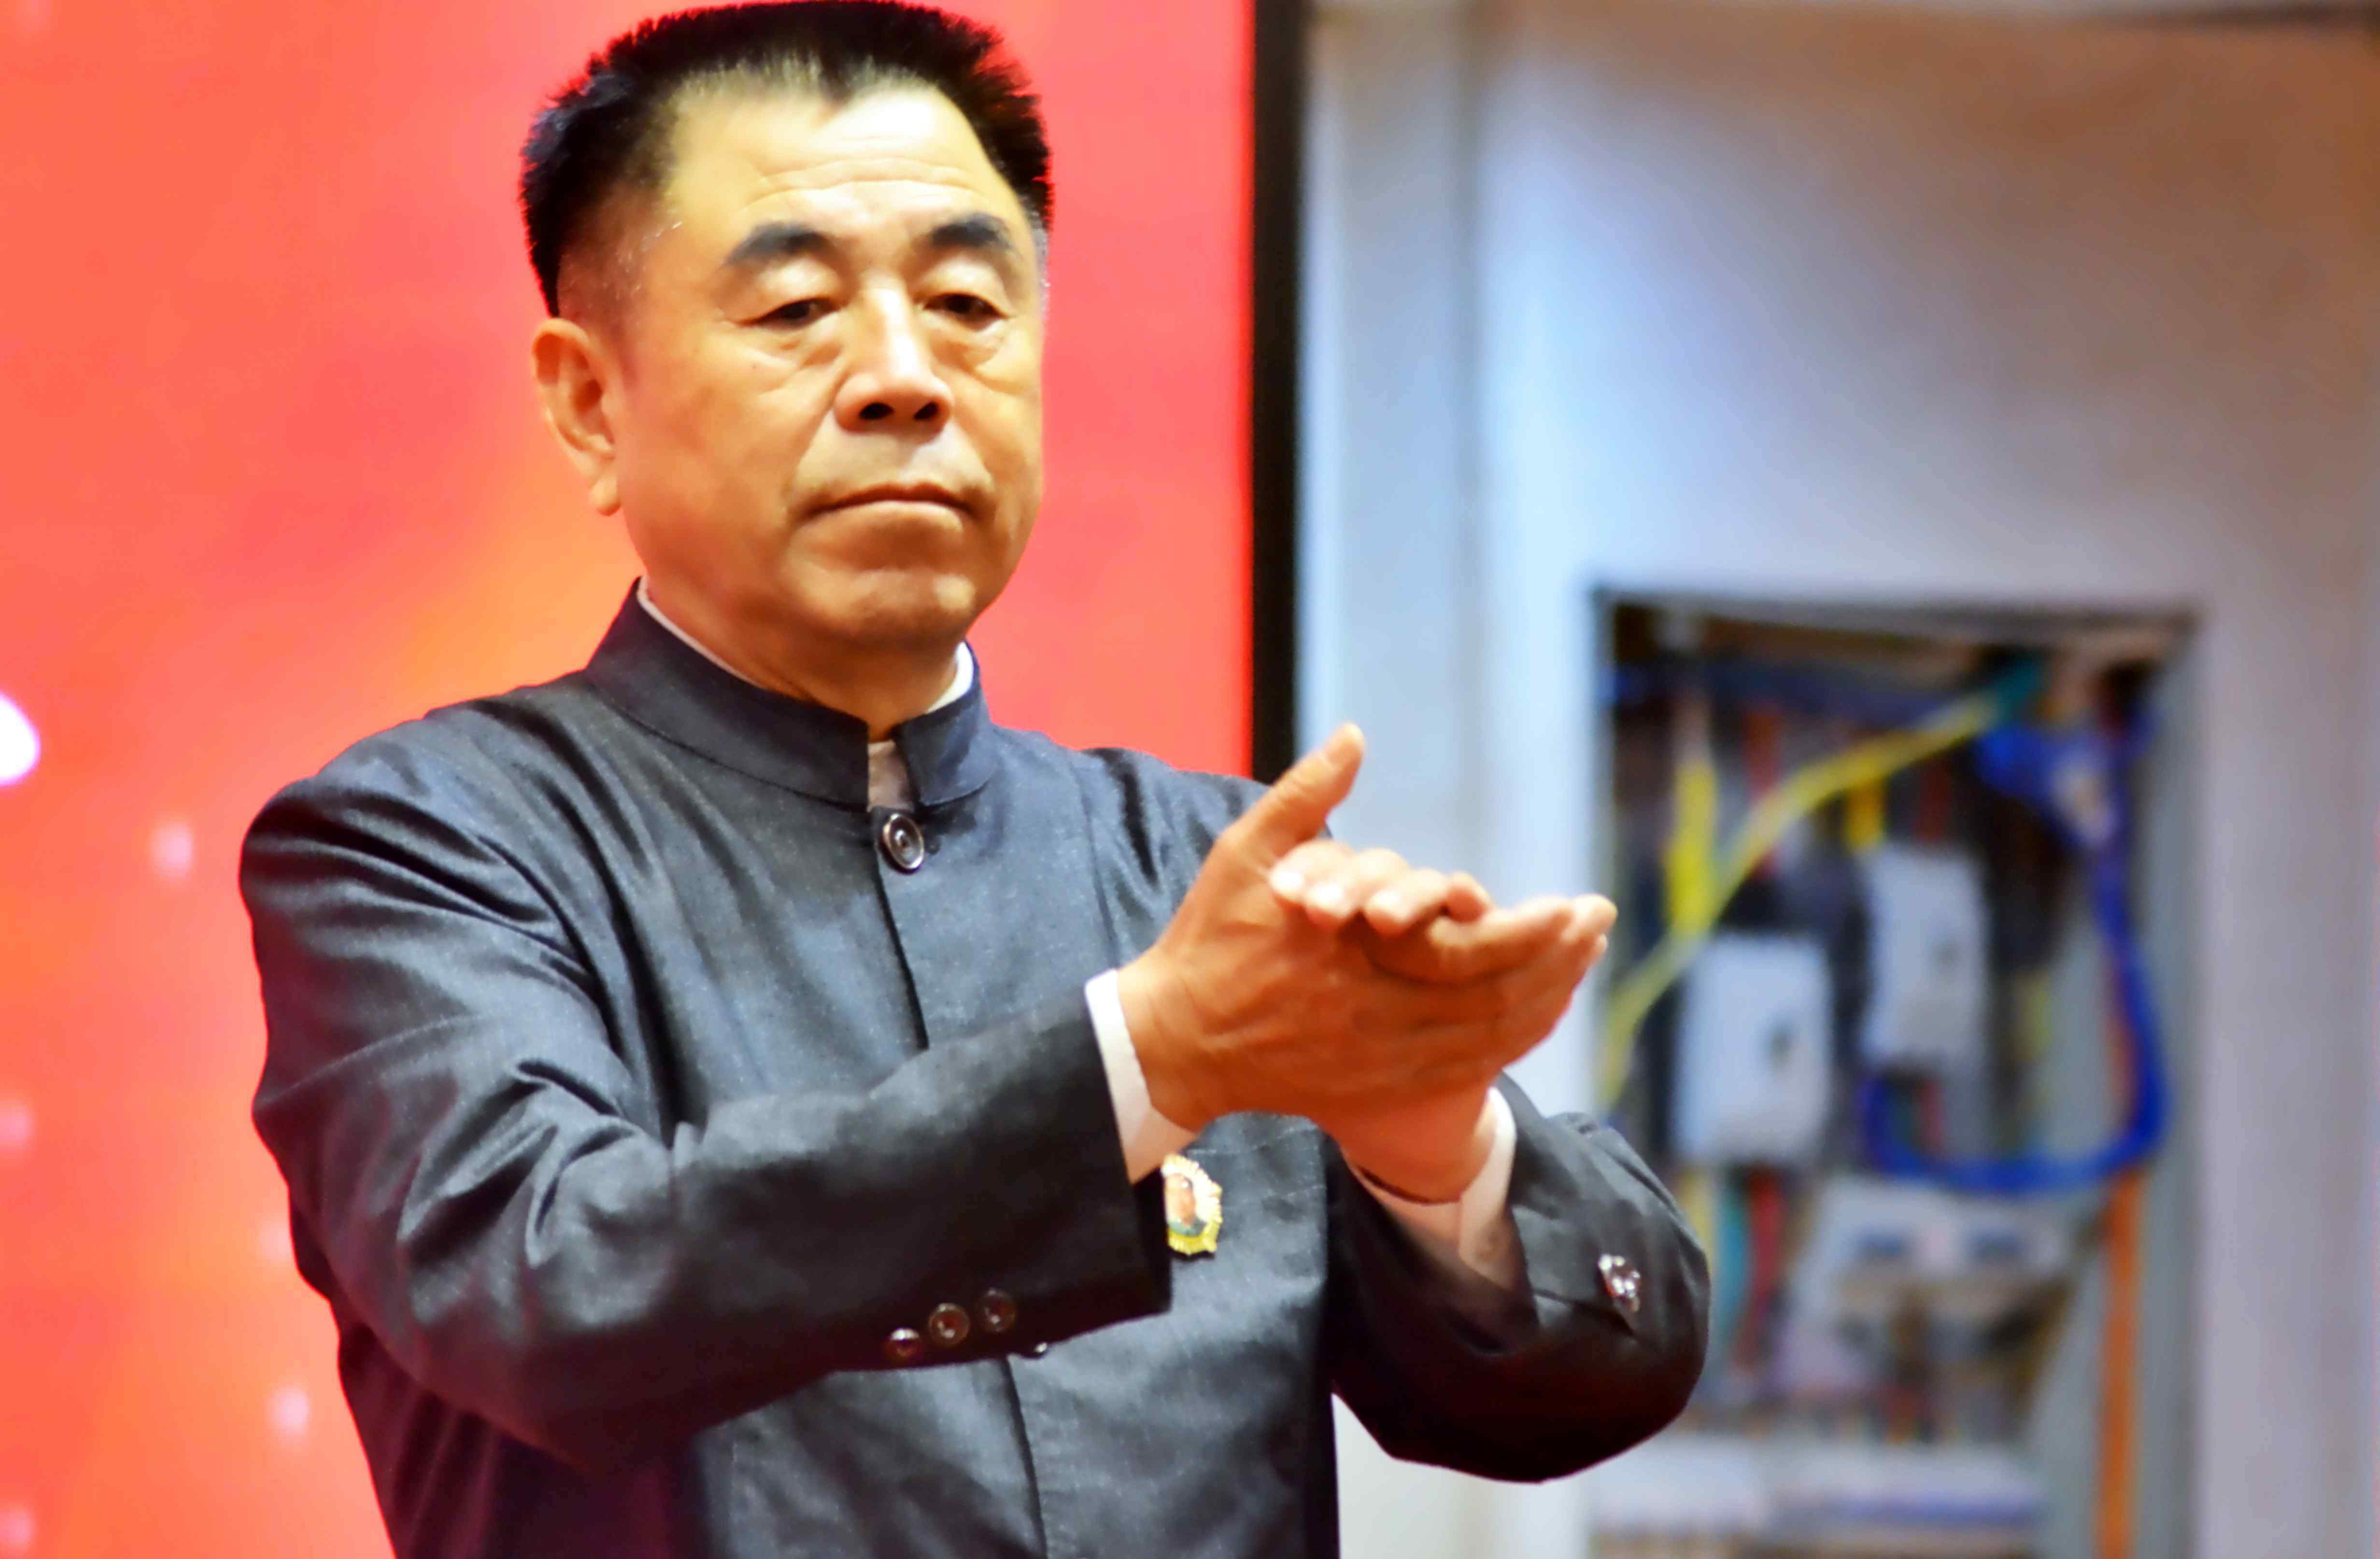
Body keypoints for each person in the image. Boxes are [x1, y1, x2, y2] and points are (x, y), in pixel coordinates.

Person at [241, 5, 1708, 1556]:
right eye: (797, 307)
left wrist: (1434, 1141)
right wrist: (1143, 1065)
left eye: (963, 304)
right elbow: (547, 1292)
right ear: (591, 402)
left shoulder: (1197, 870)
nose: (903, 378)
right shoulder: (422, 849)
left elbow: (1581, 1388)